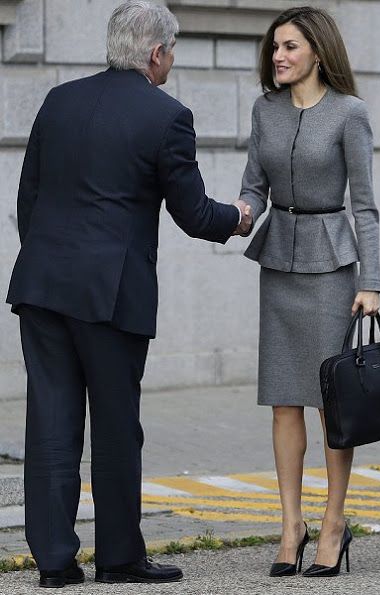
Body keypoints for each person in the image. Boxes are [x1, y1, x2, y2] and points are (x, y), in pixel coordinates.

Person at [6, 0, 251, 588]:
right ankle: (119, 556)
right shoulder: (166, 116)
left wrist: (48, 256)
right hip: (110, 296)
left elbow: (28, 197)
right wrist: (239, 217)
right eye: (172, 52)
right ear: (156, 53)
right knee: (116, 426)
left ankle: (56, 565)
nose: (171, 62)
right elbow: (193, 213)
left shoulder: (58, 100)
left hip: (41, 285)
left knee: (50, 423)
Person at [239, 5, 380, 578]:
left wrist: (371, 281)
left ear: (317, 52)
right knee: (283, 399)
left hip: (332, 268)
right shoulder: (264, 110)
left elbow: (364, 205)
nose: (279, 55)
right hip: (279, 262)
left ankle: (333, 522)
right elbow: (254, 181)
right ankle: (290, 524)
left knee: (331, 402)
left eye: (291, 46)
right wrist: (242, 209)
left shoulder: (351, 113)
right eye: (276, 46)